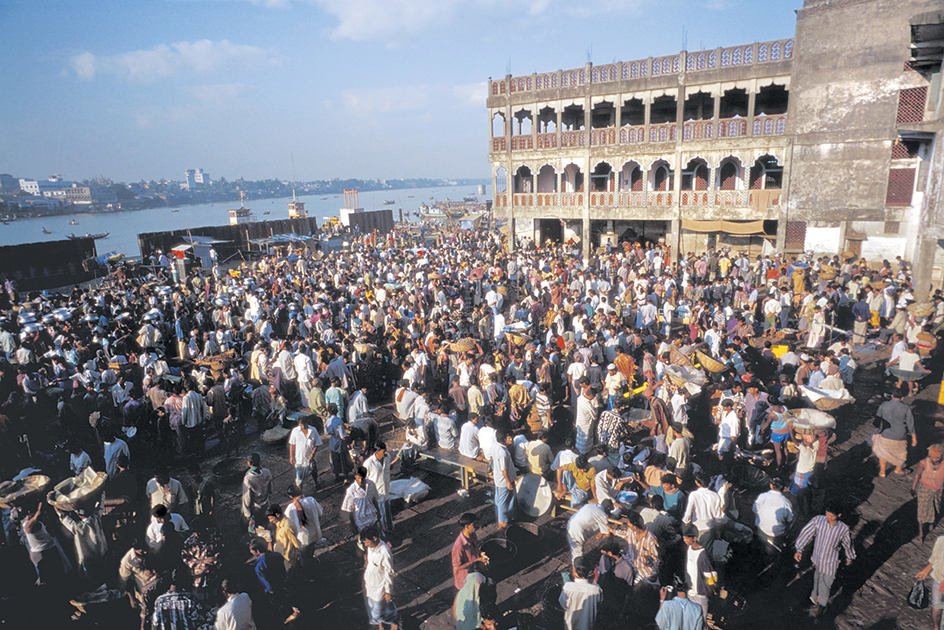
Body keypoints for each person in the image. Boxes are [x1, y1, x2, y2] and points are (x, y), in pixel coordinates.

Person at [794, 502, 856, 617]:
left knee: (825, 586)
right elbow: (806, 533)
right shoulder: (818, 520)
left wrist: (850, 557)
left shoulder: (843, 529)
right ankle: (813, 599)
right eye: (827, 514)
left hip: (831, 562)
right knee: (817, 579)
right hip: (817, 558)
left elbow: (848, 545)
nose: (829, 518)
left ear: (839, 515)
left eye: (832, 516)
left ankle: (821, 608)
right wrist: (799, 549)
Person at [872, 385, 917, 477]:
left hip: (885, 434)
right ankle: (898, 469)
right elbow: (910, 424)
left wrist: (877, 428)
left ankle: (882, 472)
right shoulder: (906, 408)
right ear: (902, 398)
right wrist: (914, 438)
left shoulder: (884, 405)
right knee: (900, 454)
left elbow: (877, 420)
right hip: (900, 435)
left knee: (883, 453)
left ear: (892, 396)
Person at [362, 531, 398, 630]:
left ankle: (394, 625)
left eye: (367, 542)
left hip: (379, 587)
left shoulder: (384, 551)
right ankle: (381, 627)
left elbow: (388, 572)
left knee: (378, 612)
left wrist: (388, 591)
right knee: (373, 609)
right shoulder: (371, 548)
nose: (366, 545)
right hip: (370, 584)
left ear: (374, 538)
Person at [681, 524, 717, 622]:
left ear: (695, 538)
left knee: (701, 621)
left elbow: (708, 576)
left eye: (687, 539)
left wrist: (711, 589)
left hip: (700, 593)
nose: (685, 541)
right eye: (684, 538)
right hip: (691, 592)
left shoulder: (703, 554)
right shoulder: (689, 549)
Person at [559, 556, 603, 630]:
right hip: (588, 626)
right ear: (589, 571)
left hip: (571, 625)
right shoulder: (596, 589)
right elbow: (599, 603)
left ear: (575, 572)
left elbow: (563, 604)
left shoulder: (567, 587)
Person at [913, 444, 944, 543]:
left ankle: (931, 523)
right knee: (922, 512)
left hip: (938, 491)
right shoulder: (923, 463)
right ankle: (921, 534)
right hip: (924, 489)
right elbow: (918, 474)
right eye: (933, 456)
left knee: (936, 508)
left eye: (937, 457)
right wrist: (913, 487)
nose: (935, 459)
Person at [285, 484, 325, 560]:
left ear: (290, 496)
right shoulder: (311, 500)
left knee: (304, 557)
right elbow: (320, 513)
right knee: (311, 551)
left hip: (302, 539)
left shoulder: (290, 508)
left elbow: (288, 526)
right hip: (314, 534)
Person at [365, 442, 397, 537]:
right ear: (377, 452)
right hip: (377, 494)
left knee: (387, 512)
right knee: (379, 515)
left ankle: (389, 528)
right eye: (383, 451)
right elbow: (365, 480)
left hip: (386, 490)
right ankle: (381, 533)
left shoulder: (387, 458)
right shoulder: (368, 463)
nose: (385, 452)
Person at [452, 513, 489, 590]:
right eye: (474, 524)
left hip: (475, 572)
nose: (476, 526)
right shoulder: (459, 546)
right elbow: (457, 568)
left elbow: (475, 549)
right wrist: (475, 561)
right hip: (465, 580)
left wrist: (481, 554)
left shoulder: (473, 535)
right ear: (467, 526)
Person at [341, 466, 381, 536]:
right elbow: (349, 510)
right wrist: (353, 525)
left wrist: (378, 512)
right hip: (361, 521)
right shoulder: (351, 490)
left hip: (372, 517)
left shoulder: (371, 484)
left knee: (376, 537)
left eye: (362, 478)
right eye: (359, 478)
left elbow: (374, 500)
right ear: (355, 476)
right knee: (366, 541)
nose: (360, 480)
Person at [288, 413, 322, 491]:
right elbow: (292, 444)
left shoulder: (313, 430)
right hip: (299, 458)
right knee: (299, 478)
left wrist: (313, 453)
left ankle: (316, 482)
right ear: (299, 424)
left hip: (311, 457)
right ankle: (300, 492)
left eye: (304, 424)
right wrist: (291, 456)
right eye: (301, 425)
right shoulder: (295, 431)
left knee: (314, 470)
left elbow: (317, 443)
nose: (303, 426)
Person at [916, 535, 944, 630]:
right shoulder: (941, 540)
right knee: (936, 609)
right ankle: (936, 627)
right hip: (938, 579)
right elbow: (934, 558)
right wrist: (925, 571)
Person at [490, 430, 517, 529]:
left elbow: (492, 459)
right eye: (508, 437)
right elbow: (504, 470)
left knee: (503, 498)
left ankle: (505, 516)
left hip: (498, 477)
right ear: (504, 439)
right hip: (504, 480)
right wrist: (508, 482)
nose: (510, 439)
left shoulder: (495, 446)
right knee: (502, 501)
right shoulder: (502, 452)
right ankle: (502, 522)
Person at [241, 454, 273, 531]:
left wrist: (247, 513)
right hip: (265, 502)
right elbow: (270, 488)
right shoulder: (266, 472)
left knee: (255, 525)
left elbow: (247, 497)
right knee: (264, 520)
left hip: (255, 506)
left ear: (249, 463)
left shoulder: (249, 478)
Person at [324, 403, 352, 482]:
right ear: (336, 411)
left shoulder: (327, 421)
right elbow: (343, 436)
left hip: (332, 442)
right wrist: (348, 443)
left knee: (335, 459)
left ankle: (337, 476)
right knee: (343, 460)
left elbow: (327, 433)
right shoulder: (339, 421)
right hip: (340, 444)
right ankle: (346, 477)